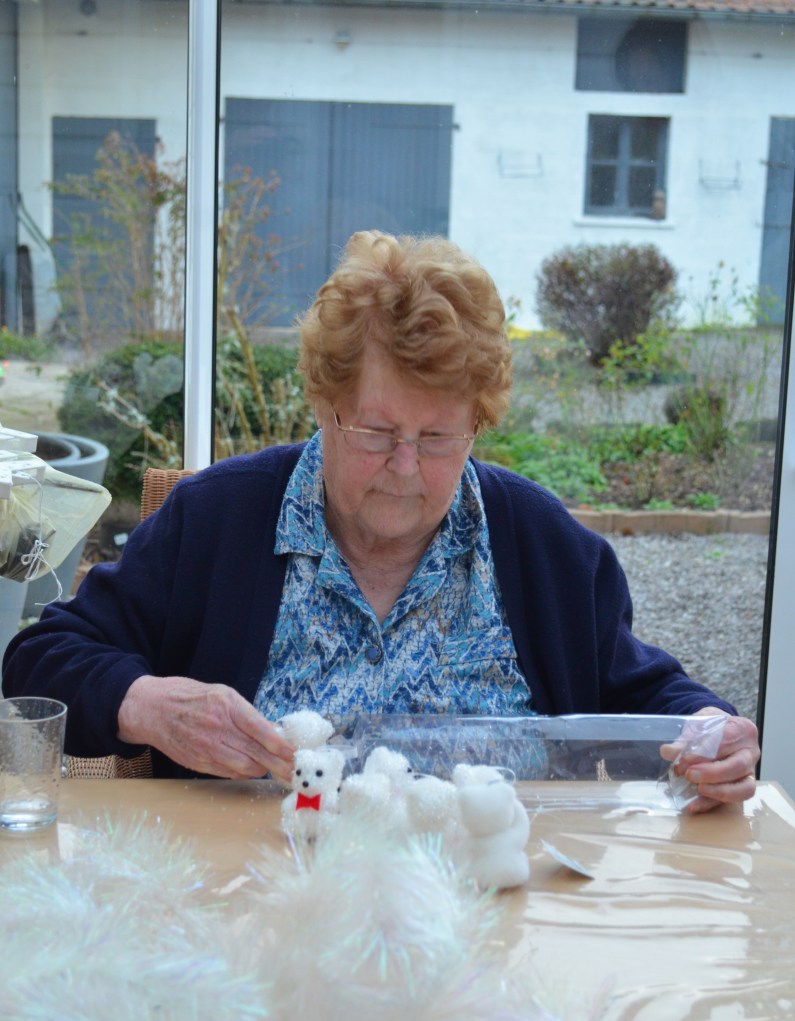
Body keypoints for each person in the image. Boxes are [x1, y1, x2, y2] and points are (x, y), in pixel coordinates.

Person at [2, 231, 759, 811]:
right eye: (374, 432)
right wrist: (149, 705)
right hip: (250, 910)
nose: (404, 467)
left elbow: (648, 693)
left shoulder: (541, 546)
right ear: (323, 404)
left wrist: (715, 734)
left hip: (495, 926)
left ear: (476, 425)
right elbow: (39, 659)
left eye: (436, 439)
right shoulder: (216, 520)